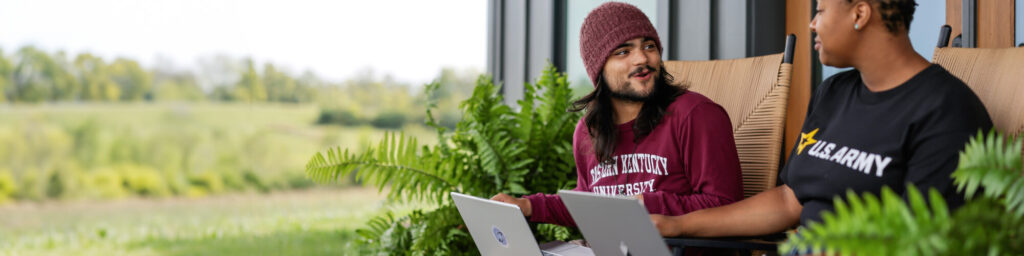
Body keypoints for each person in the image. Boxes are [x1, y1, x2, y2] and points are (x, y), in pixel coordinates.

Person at [649, 0, 993, 239]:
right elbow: (789, 199)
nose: (812, 24)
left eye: (820, 11)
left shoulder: (946, 113)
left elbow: (923, 242)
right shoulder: (834, 93)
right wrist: (678, 225)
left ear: (860, 14)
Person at [490, 2, 743, 227]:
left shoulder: (696, 115)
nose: (642, 58)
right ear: (599, 69)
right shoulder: (589, 130)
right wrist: (528, 206)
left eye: (649, 45)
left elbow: (727, 207)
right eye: (623, 52)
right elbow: (590, 205)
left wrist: (645, 205)